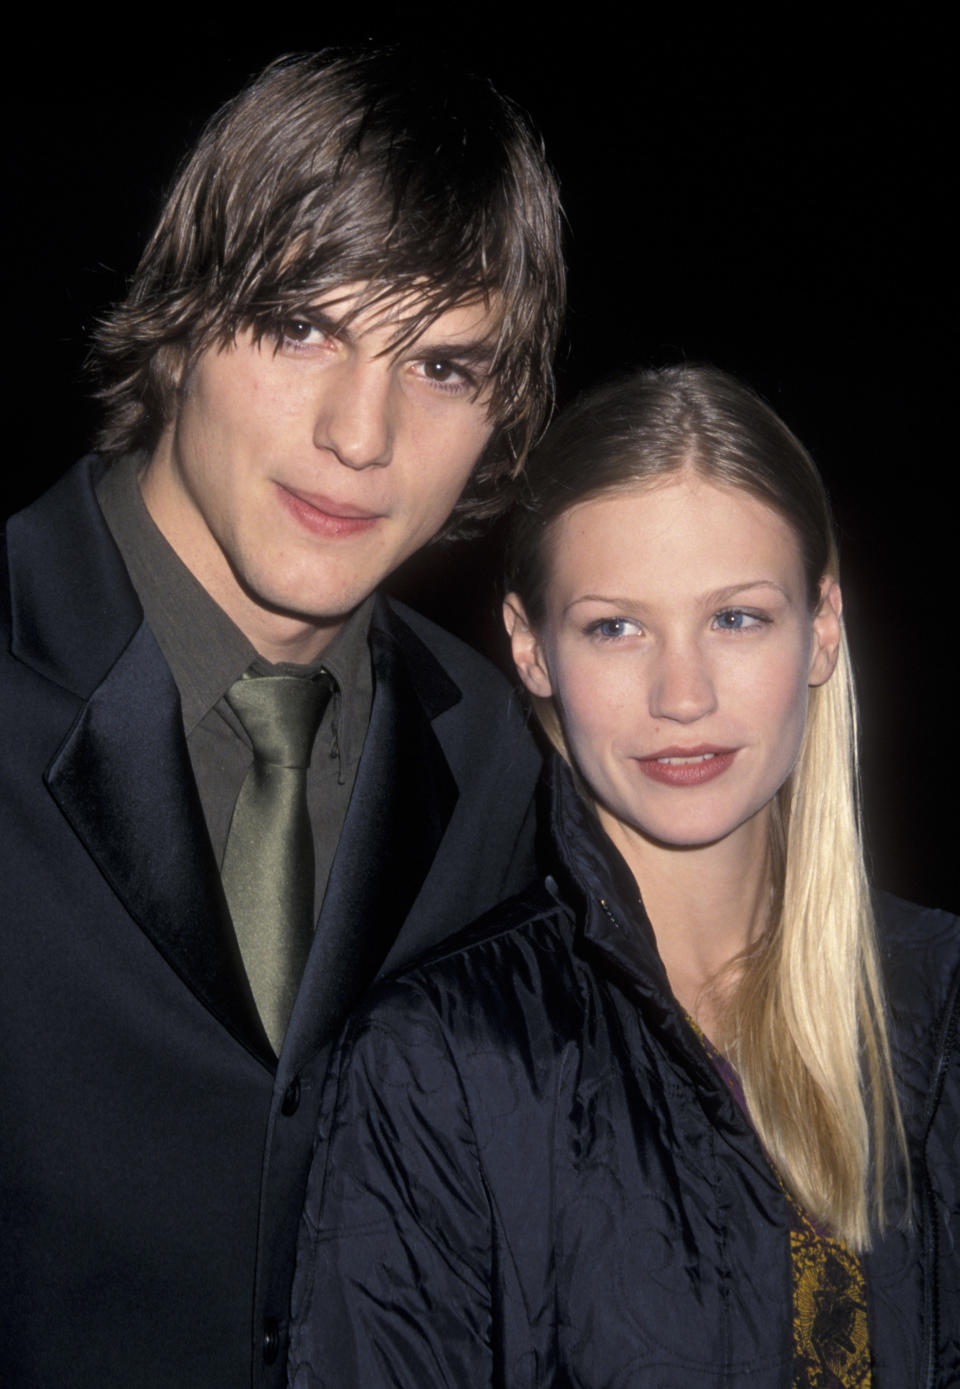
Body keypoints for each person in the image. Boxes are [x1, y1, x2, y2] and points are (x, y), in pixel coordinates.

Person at [0, 50, 564, 1388]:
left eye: (440, 363)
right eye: (303, 324)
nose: (360, 435)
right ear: (182, 320)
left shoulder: (499, 761)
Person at [289, 365, 960, 1387]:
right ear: (531, 648)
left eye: (737, 618)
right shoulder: (441, 1064)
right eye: (615, 626)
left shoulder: (943, 1005)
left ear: (823, 625)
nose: (681, 694)